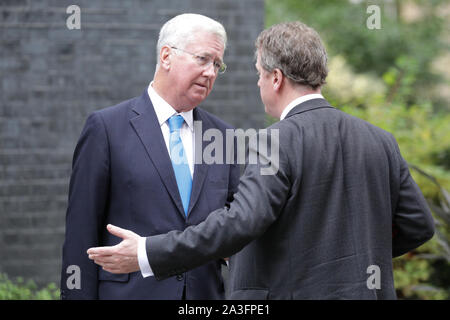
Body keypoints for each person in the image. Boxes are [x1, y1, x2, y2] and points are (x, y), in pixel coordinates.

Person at [87, 21, 435, 299]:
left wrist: (149, 252)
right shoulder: (381, 141)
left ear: (276, 78)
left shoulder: (273, 141)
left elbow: (241, 223)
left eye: (258, 74)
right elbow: (419, 225)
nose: (258, 84)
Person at [61, 13, 240, 300]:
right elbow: (80, 235)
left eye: (217, 64)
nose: (211, 72)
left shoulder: (223, 136)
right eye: (203, 59)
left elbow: (236, 228)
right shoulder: (106, 129)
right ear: (167, 56)